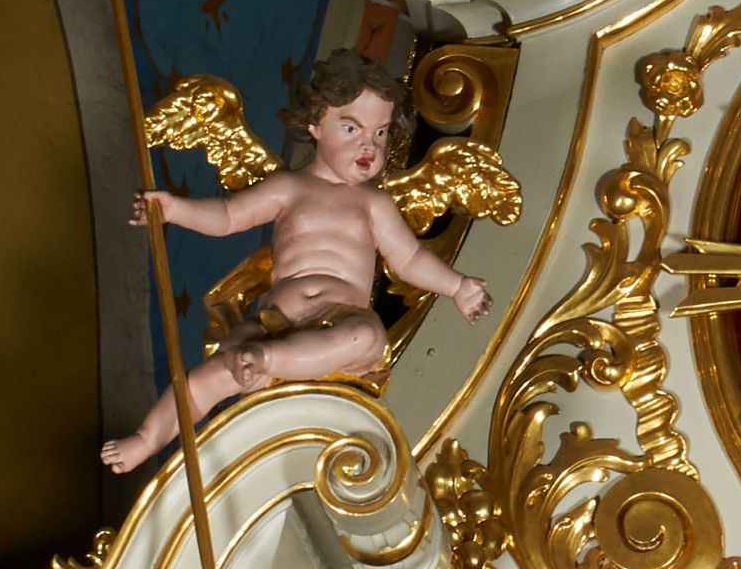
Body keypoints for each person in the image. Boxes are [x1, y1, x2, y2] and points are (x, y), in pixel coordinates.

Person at [100, 52, 492, 472]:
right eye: (351, 128)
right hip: (277, 322)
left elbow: (409, 258)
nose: (369, 146)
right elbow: (228, 217)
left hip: (340, 323)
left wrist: (456, 286)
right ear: (316, 125)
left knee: (366, 335)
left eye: (380, 133)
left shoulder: (374, 203)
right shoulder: (288, 187)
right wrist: (174, 210)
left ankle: (268, 361)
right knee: (210, 376)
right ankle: (147, 439)